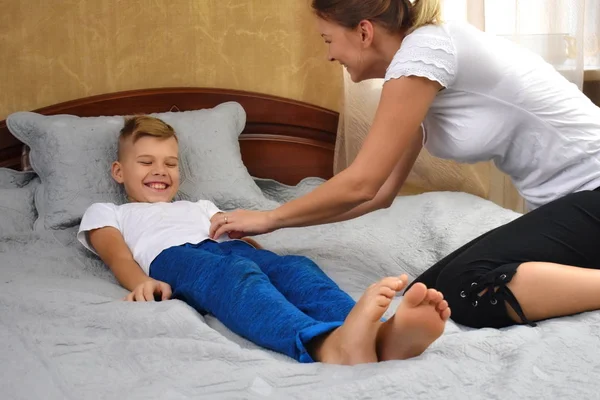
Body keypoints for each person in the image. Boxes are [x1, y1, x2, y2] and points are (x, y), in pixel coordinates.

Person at [209, 0, 600, 330]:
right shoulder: (418, 72)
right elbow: (378, 195)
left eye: (328, 40)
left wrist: (270, 217)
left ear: (364, 32)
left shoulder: (426, 51)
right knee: (427, 293)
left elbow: (361, 183)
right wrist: (279, 224)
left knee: (467, 286)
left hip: (594, 192)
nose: (329, 54)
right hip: (579, 207)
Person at [76, 115, 451, 365]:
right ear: (119, 171)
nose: (160, 170)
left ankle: (377, 335)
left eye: (170, 163)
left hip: (231, 249)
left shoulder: (201, 205)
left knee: (295, 267)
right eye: (146, 162)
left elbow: (241, 241)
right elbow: (118, 257)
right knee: (238, 276)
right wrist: (141, 283)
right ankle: (324, 345)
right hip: (177, 259)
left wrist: (267, 260)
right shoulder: (110, 212)